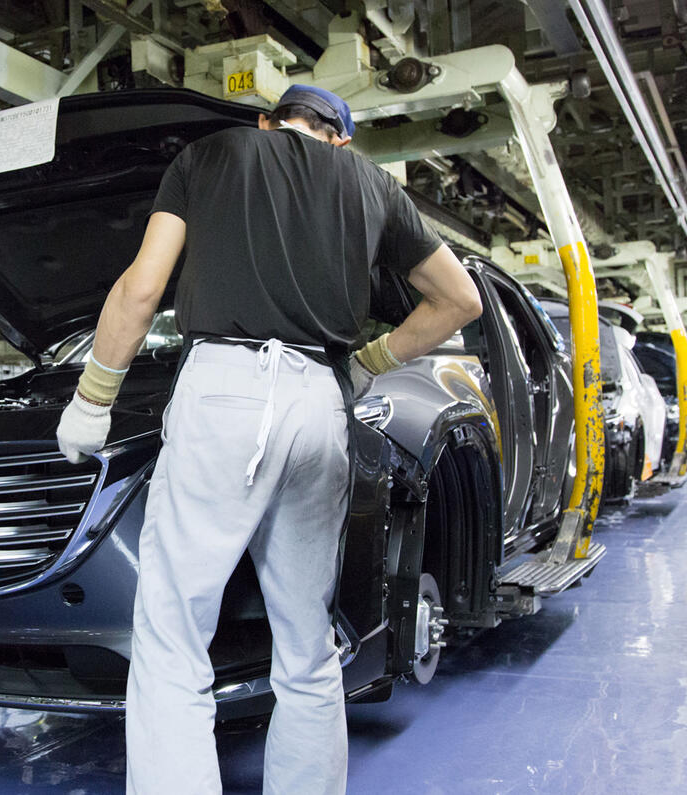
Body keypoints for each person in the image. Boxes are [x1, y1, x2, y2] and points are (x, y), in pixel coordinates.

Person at [56, 85, 482, 794]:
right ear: (341, 138)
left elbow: (140, 289)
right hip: (320, 399)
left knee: (172, 635)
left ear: (267, 124)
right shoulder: (374, 186)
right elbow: (460, 301)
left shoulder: (210, 156)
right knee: (307, 642)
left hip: (224, 388)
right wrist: (369, 360)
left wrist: (93, 397)